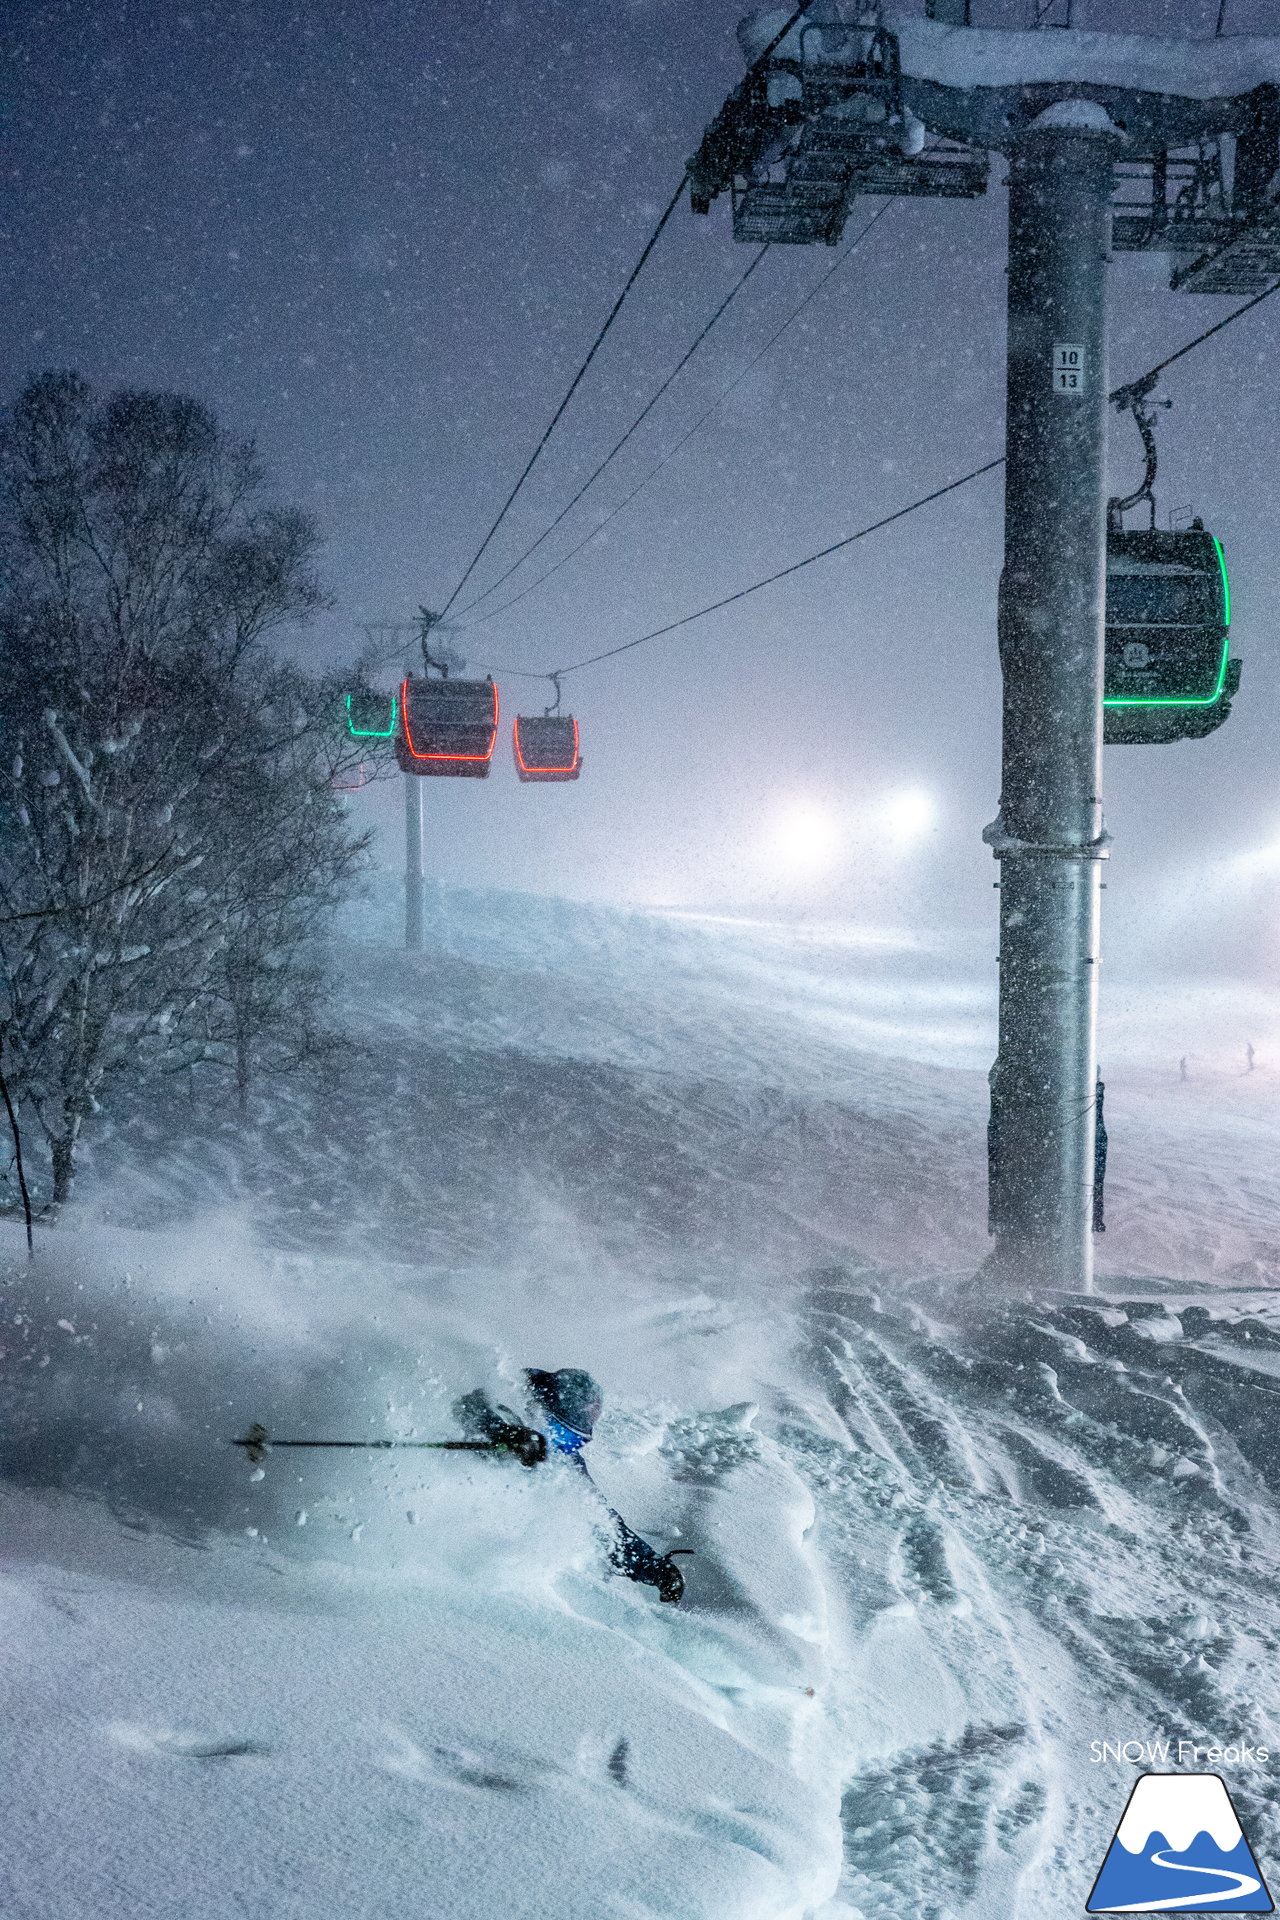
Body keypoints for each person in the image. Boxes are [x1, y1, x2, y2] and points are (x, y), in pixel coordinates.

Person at [452, 1368, 688, 1604]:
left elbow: (603, 1524)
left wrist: (656, 1568)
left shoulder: (564, 1464)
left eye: (571, 1441)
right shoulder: (506, 1405)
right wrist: (504, 1433)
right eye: (558, 1433)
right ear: (541, 1411)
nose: (560, 1445)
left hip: (497, 1546)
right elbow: (469, 1407)